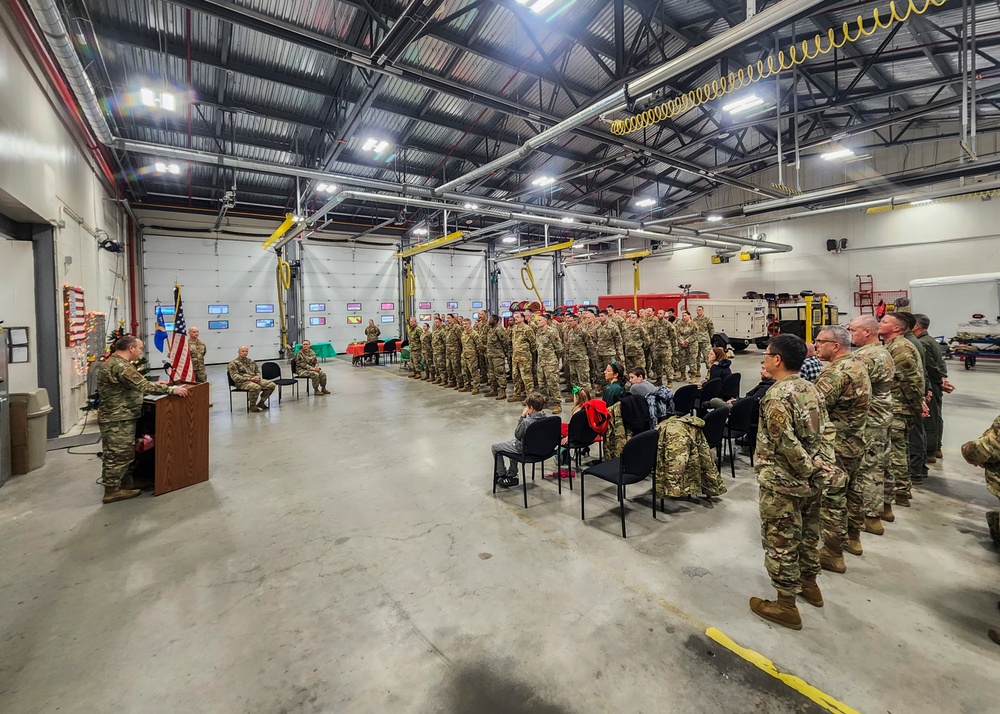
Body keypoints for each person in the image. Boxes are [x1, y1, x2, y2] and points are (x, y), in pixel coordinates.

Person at [749, 335, 835, 630]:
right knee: (810, 534)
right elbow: (827, 430)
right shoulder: (810, 388)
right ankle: (810, 585)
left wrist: (808, 468)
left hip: (783, 484)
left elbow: (785, 442)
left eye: (767, 354)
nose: (764, 358)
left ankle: (786, 605)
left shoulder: (776, 396)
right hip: (812, 481)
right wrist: (821, 466)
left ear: (777, 360)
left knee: (781, 541)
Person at [97, 336, 189, 503]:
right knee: (118, 454)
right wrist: (171, 390)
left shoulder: (115, 363)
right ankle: (112, 490)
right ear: (131, 348)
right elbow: (143, 386)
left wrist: (158, 384)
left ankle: (126, 483)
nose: (140, 352)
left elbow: (133, 385)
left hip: (120, 416)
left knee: (124, 452)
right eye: (139, 348)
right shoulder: (120, 365)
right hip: (118, 418)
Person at [813, 326, 871, 574]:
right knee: (854, 490)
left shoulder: (836, 373)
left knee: (832, 498)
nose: (815, 345)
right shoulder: (858, 365)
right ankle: (853, 538)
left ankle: (833, 553)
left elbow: (813, 406)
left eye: (819, 341)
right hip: (855, 440)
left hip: (836, 445)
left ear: (835, 346)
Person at [847, 315, 896, 533]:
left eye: (853, 330)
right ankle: (885, 506)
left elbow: (850, 388)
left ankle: (871, 516)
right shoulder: (883, 352)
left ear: (867, 332)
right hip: (882, 414)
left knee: (869, 466)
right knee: (883, 461)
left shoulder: (865, 357)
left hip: (870, 418)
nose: (850, 334)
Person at [878, 313, 924, 510]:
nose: (880, 324)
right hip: (895, 405)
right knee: (897, 448)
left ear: (896, 328)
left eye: (885, 322)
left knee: (897, 450)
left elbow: (910, 381)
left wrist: (916, 405)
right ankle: (901, 488)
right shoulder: (891, 346)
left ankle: (901, 491)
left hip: (900, 406)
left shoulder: (901, 348)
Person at [912, 314, 953, 463]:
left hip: (930, 384)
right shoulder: (932, 341)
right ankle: (937, 448)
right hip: (935, 383)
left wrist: (938, 382)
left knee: (929, 419)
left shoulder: (922, 343)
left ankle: (930, 451)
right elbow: (941, 365)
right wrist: (943, 379)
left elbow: (929, 366)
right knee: (937, 416)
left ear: (916, 326)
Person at [492, 392, 548, 489]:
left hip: (525, 450)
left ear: (531, 408)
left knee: (495, 447)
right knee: (512, 444)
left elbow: (517, 434)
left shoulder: (526, 422)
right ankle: (512, 473)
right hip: (542, 449)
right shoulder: (548, 418)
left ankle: (502, 474)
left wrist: (522, 417)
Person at [228, 345, 276, 413]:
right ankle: (252, 406)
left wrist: (258, 377)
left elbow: (257, 371)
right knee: (256, 387)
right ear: (238, 352)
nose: (245, 353)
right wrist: (250, 378)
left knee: (271, 385)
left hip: (254, 379)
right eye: (243, 351)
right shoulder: (233, 364)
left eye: (246, 351)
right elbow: (235, 377)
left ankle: (261, 402)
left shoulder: (251, 361)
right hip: (242, 382)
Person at [534, 314, 563, 413]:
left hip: (550, 362)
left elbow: (559, 348)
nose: (537, 322)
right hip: (541, 362)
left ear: (545, 321)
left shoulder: (552, 331)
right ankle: (544, 401)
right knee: (542, 384)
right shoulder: (538, 332)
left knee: (553, 383)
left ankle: (557, 403)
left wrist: (556, 360)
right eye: (537, 320)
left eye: (539, 320)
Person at [508, 312, 536, 403]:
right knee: (515, 376)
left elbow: (533, 343)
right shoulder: (514, 328)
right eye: (515, 317)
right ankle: (517, 394)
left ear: (523, 318)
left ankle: (530, 397)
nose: (515, 318)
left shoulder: (528, 329)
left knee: (527, 378)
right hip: (515, 357)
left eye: (517, 317)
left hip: (525, 358)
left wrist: (527, 353)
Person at [562, 313, 591, 401]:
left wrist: (589, 356)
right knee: (574, 380)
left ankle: (586, 397)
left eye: (571, 321)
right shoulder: (570, 331)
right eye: (568, 321)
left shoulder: (583, 331)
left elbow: (589, 344)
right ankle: (576, 396)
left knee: (584, 380)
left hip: (581, 359)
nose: (569, 322)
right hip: (571, 359)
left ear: (576, 321)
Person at [484, 315, 509, 400]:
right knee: (491, 373)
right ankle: (493, 389)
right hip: (491, 355)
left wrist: (503, 352)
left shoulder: (499, 329)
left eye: (491, 319)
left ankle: (502, 391)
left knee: (500, 373)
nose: (489, 320)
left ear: (495, 320)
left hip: (498, 355)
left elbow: (505, 342)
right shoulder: (491, 329)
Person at [188, 326, 212, 407]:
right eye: (194, 332)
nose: (196, 333)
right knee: (191, 387)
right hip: (190, 369)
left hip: (201, 368)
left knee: (203, 386)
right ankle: (192, 403)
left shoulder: (201, 344)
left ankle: (204, 402)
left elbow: (203, 353)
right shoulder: (186, 344)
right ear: (189, 333)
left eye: (197, 331)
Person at [458, 318, 482, 394]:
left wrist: (475, 354)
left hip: (472, 356)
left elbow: (479, 345)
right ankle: (467, 386)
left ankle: (476, 387)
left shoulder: (474, 333)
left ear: (470, 324)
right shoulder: (463, 333)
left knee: (474, 372)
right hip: (464, 355)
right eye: (463, 324)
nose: (464, 325)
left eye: (466, 324)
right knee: (464, 372)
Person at [676, 311, 699, 382]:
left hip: (692, 345)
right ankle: (683, 375)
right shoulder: (680, 324)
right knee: (681, 360)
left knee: (692, 360)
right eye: (682, 316)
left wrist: (686, 341)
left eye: (685, 315)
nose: (683, 317)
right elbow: (677, 333)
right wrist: (681, 341)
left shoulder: (694, 324)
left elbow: (695, 335)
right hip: (682, 344)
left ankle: (693, 376)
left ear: (689, 316)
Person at [693, 306, 714, 370]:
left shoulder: (707, 319)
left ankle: (709, 371)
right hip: (696, 341)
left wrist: (709, 337)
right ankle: (697, 370)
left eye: (699, 310)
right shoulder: (694, 320)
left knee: (707, 356)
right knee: (696, 357)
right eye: (697, 310)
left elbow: (711, 329)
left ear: (703, 311)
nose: (698, 311)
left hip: (705, 341)